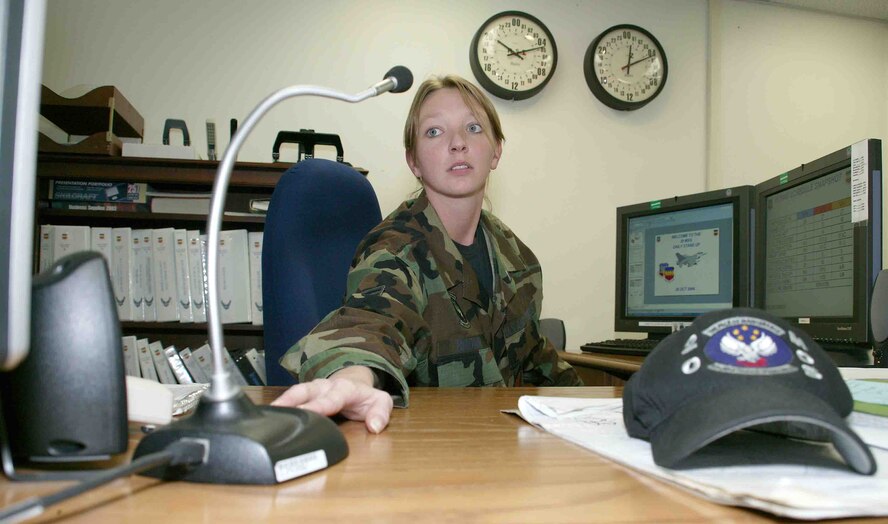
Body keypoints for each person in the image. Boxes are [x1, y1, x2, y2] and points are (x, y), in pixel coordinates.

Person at [272, 74, 582, 433]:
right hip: (426, 449)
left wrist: (599, 408)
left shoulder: (517, 257)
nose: (457, 144)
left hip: (496, 445)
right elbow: (372, 321)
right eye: (434, 132)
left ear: (496, 149)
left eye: (473, 128)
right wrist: (354, 378)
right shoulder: (395, 249)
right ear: (414, 162)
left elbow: (533, 356)